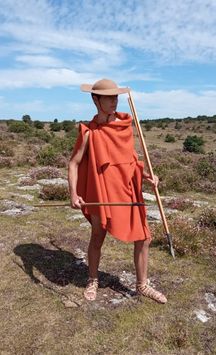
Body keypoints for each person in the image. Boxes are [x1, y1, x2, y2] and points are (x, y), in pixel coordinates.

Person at [68, 79, 167, 304]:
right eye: (109, 97)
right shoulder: (88, 132)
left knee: (144, 238)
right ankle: (93, 279)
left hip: (127, 191)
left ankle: (142, 284)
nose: (114, 101)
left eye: (116, 97)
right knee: (97, 236)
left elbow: (128, 161)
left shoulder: (124, 127)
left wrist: (146, 176)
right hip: (101, 191)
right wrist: (73, 193)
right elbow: (73, 163)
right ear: (95, 99)